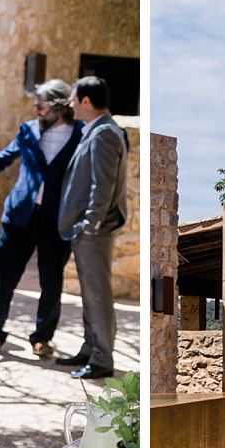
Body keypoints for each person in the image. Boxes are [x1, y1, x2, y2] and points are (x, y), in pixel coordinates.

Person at [0, 80, 81, 358]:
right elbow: (3, 157)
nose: (35, 109)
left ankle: (42, 338)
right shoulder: (28, 129)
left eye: (40, 104)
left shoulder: (80, 133)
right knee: (3, 279)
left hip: (56, 219)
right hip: (19, 215)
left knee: (51, 283)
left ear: (58, 106)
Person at [55, 76, 127, 380]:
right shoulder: (97, 130)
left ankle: (101, 359)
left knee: (97, 294)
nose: (70, 104)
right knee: (89, 292)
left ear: (86, 101)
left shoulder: (105, 134)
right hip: (88, 230)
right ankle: (90, 348)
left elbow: (103, 186)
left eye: (73, 99)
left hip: (94, 231)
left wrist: (90, 224)